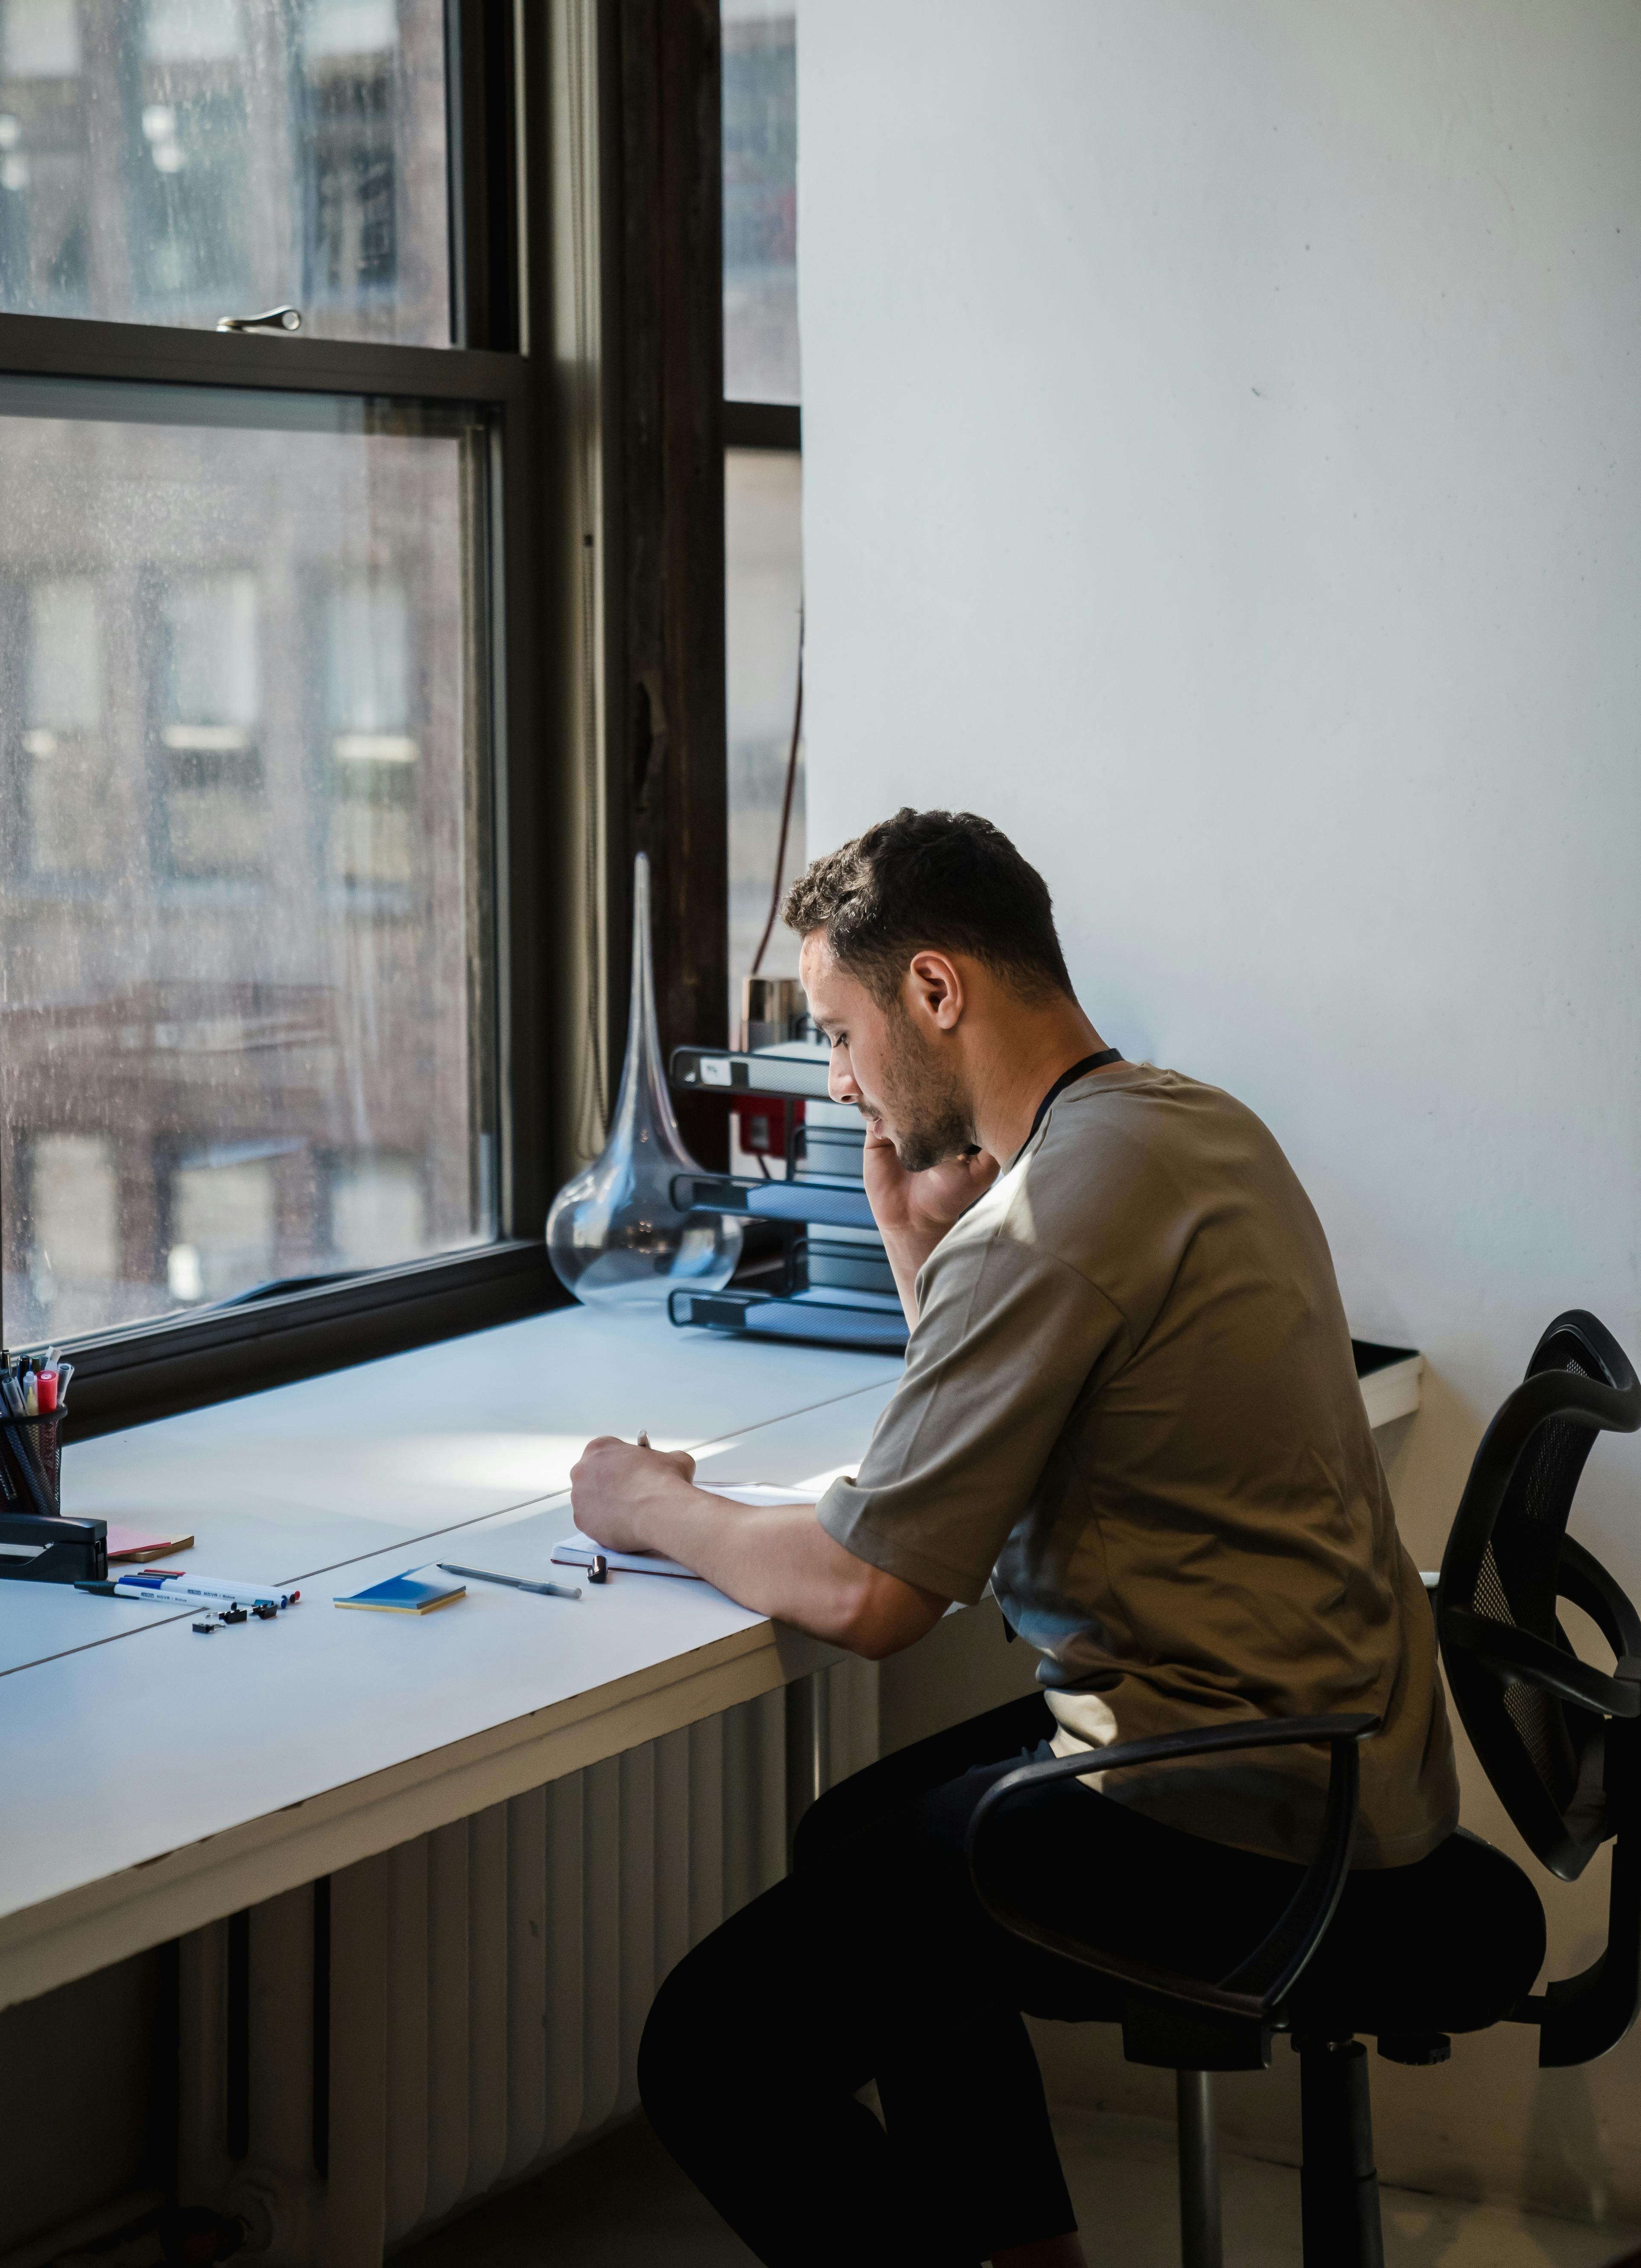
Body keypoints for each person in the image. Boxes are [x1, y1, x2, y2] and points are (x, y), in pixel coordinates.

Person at [569, 807, 1455, 2268]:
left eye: (841, 1031)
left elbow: (873, 1591)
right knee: (861, 1837)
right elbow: (1014, 1447)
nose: (838, 1079)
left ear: (935, 990)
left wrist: (644, 1503)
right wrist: (926, 1259)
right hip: (1346, 1753)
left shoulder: (1054, 1209)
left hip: (1238, 1811)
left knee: (711, 2052)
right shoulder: (1181, 1124)